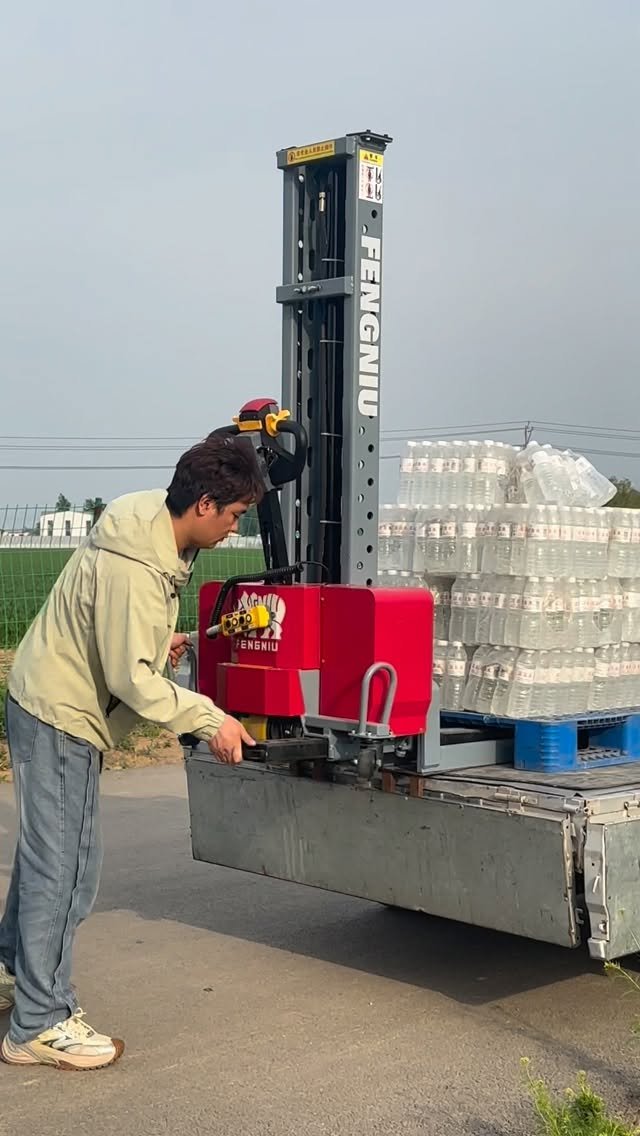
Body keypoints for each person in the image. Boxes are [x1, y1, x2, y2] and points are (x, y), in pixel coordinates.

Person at [0, 432, 262, 1070]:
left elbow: (121, 635)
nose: (233, 528)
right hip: (63, 711)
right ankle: (39, 1022)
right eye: (233, 515)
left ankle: (14, 970)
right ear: (204, 504)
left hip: (48, 696)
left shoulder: (147, 523)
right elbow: (130, 682)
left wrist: (150, 638)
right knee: (65, 871)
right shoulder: (136, 567)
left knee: (47, 860)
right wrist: (213, 720)